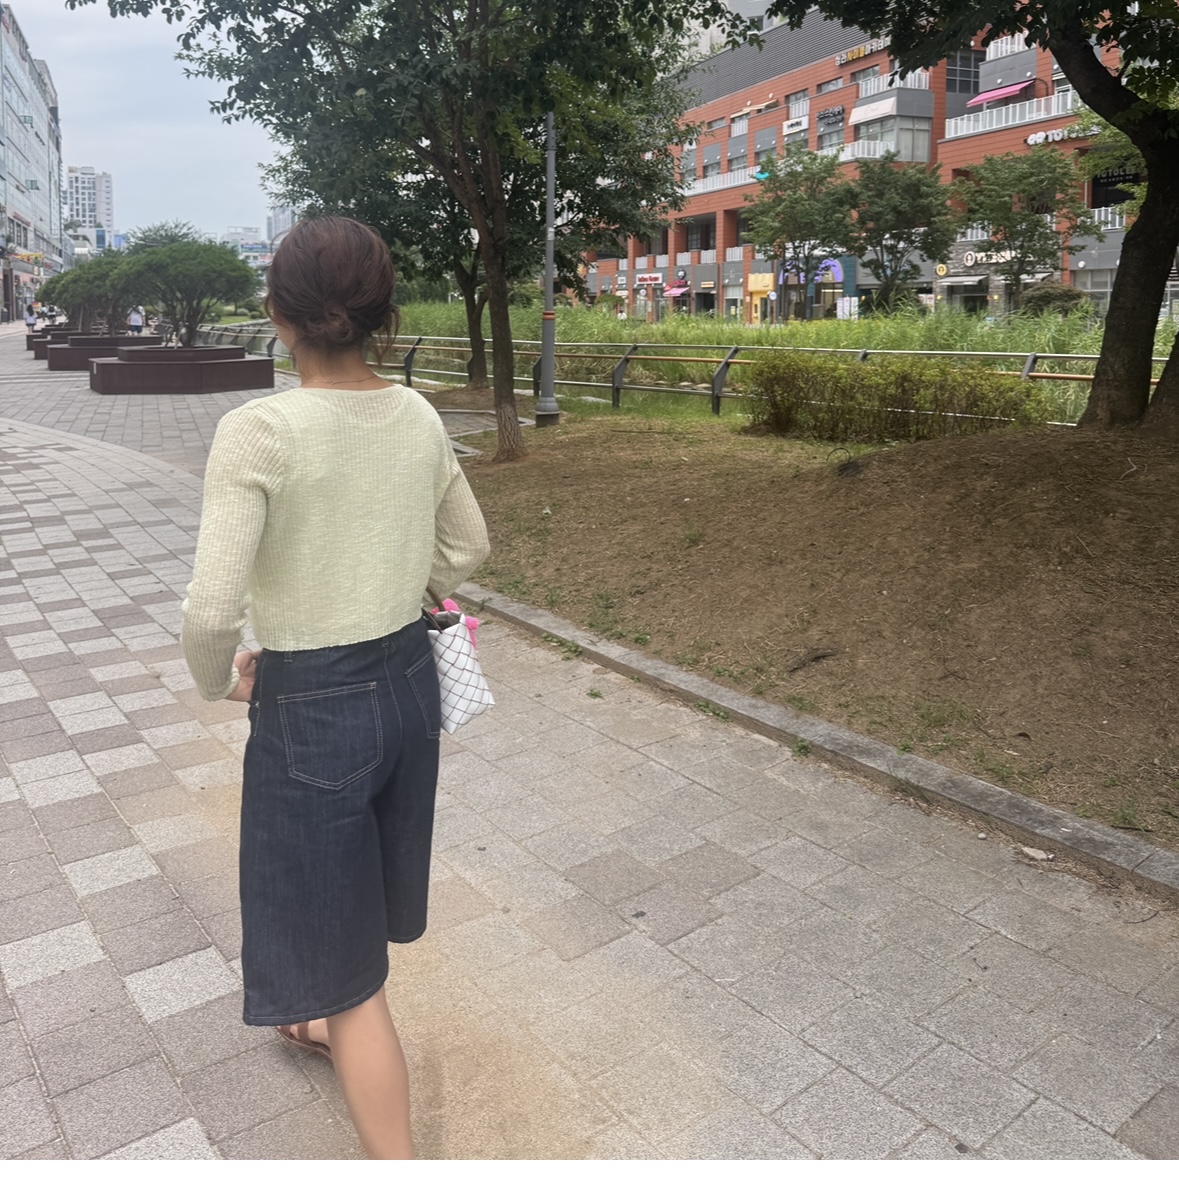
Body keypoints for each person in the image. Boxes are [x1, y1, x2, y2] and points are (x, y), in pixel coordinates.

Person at [180, 216, 489, 1160]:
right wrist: (393, 586)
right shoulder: (417, 414)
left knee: (355, 981)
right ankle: (319, 1020)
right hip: (407, 686)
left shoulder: (260, 429)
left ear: (278, 313)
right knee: (352, 898)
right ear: (382, 314)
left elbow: (210, 610)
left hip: (311, 706)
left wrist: (221, 683)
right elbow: (468, 545)